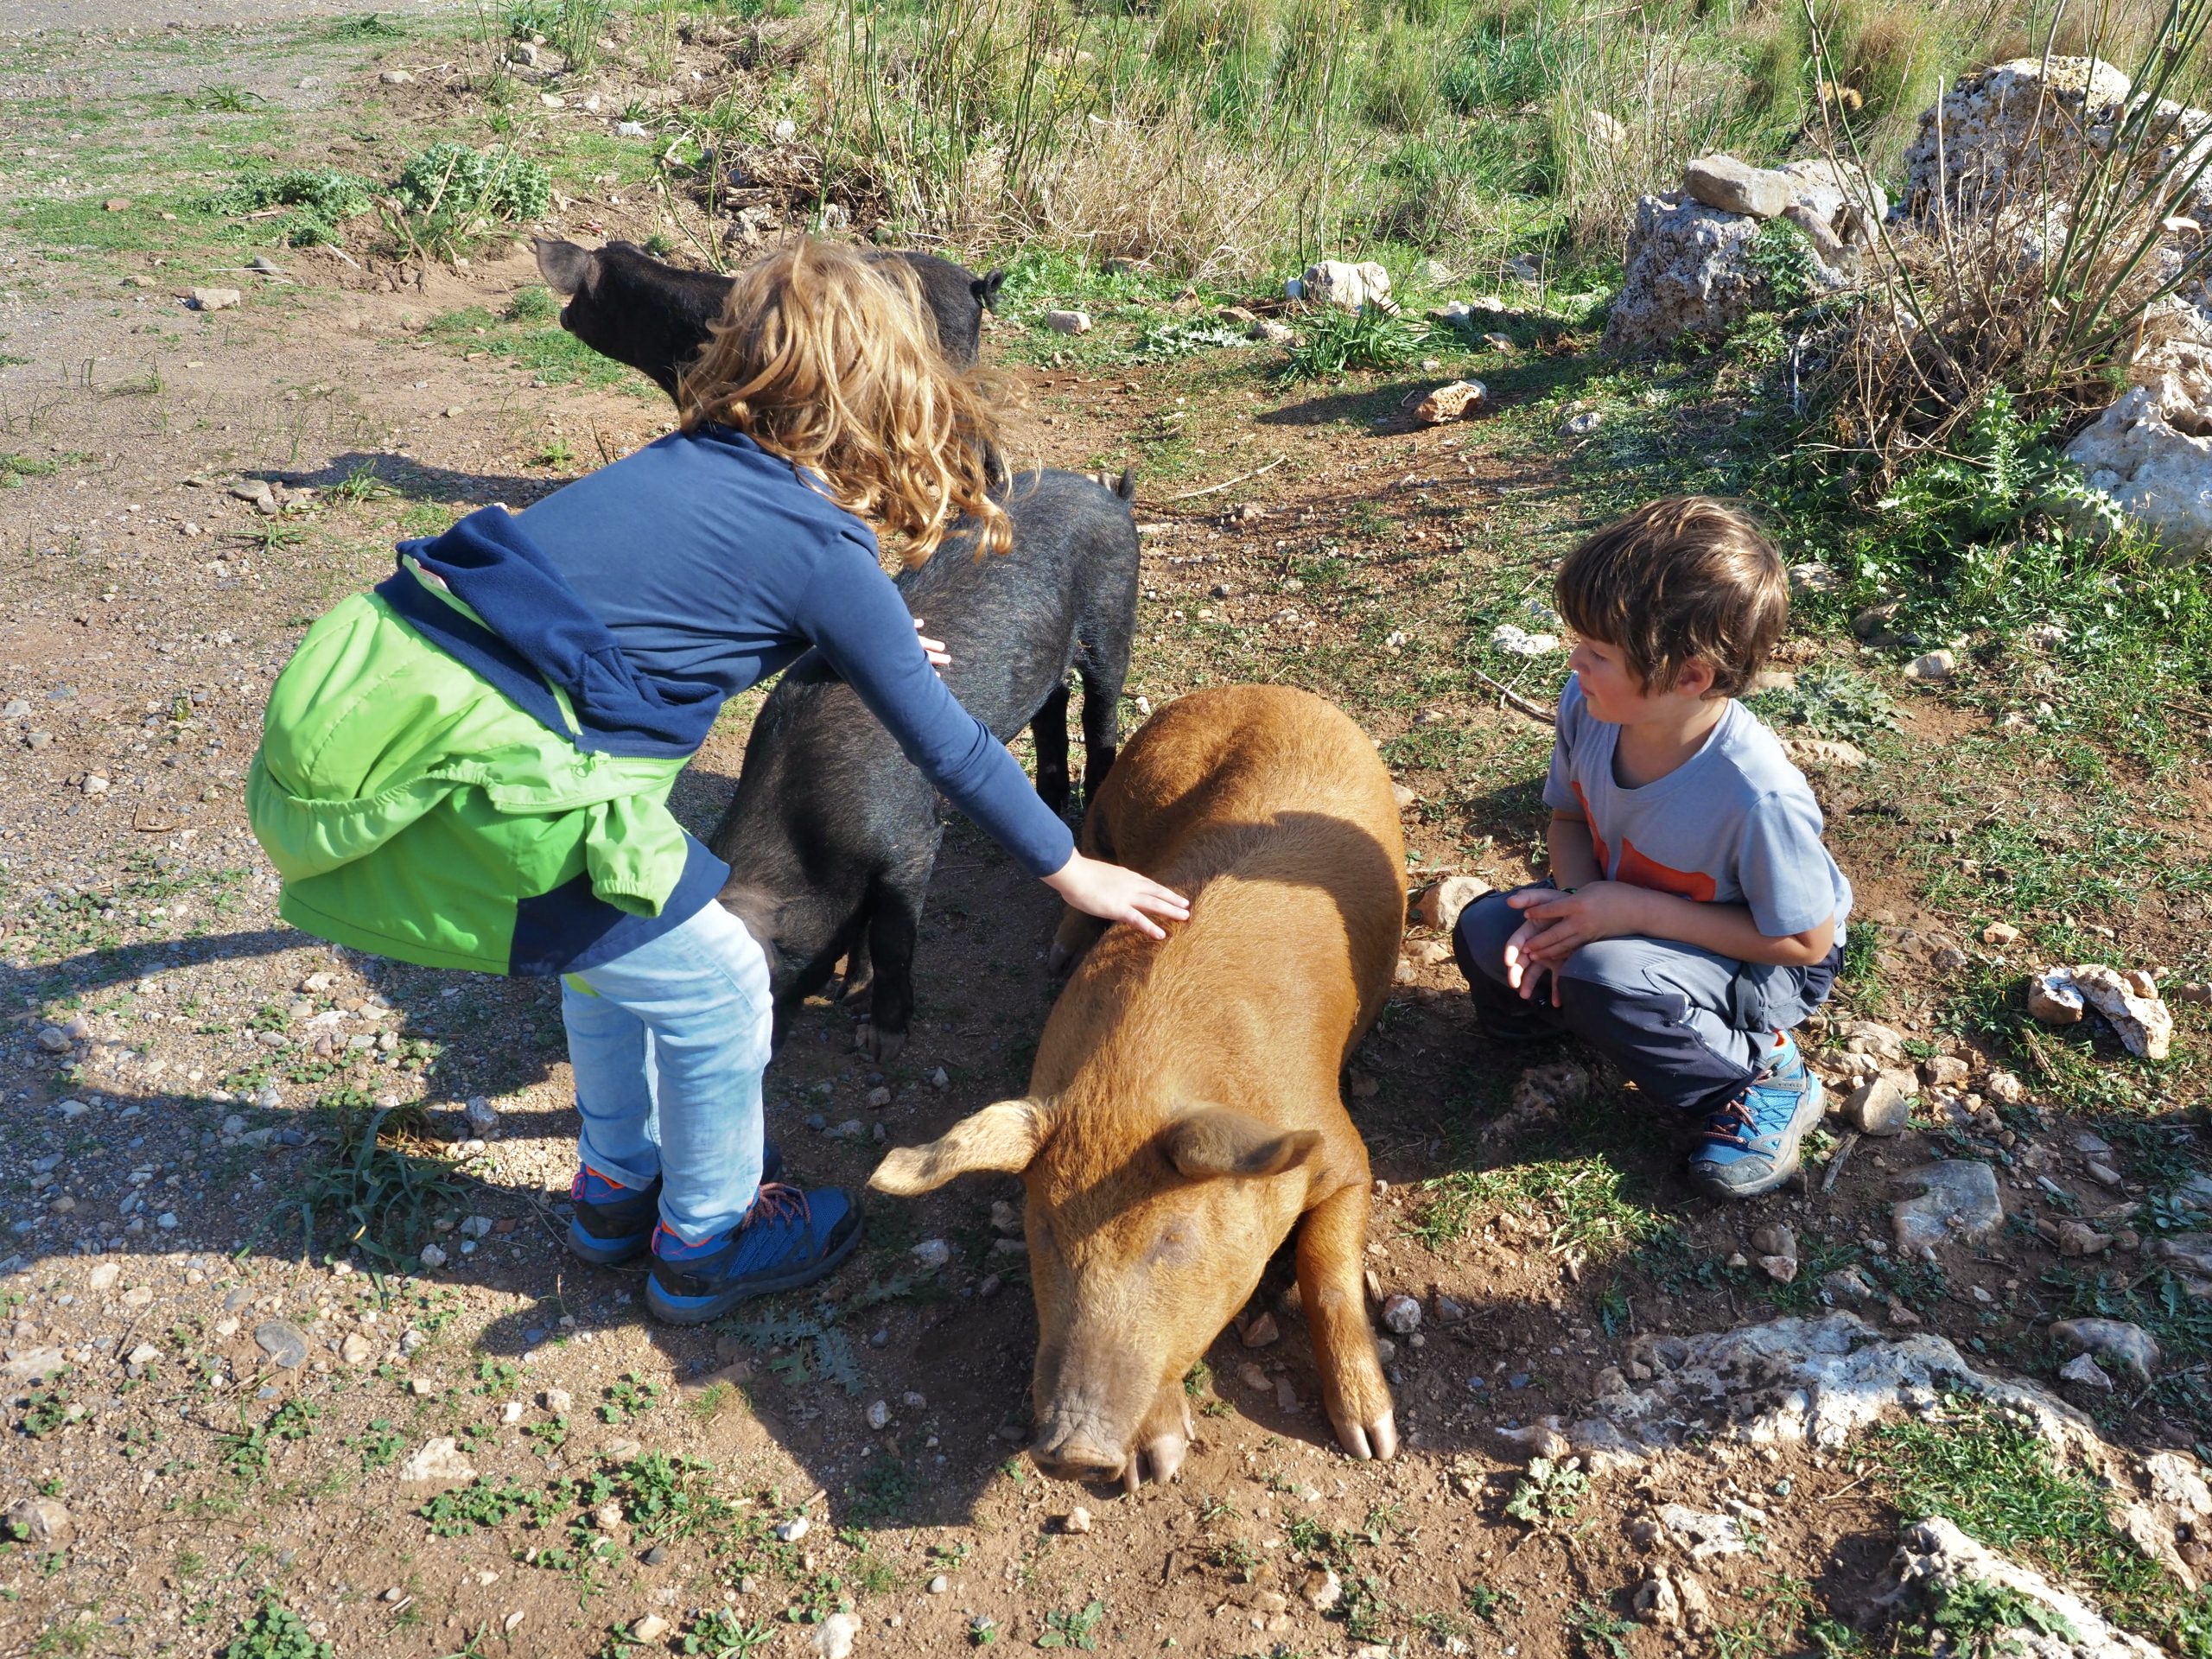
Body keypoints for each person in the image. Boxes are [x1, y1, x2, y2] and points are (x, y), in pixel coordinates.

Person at [247, 239, 1188, 1322]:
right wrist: (1071, 869)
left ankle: (615, 1191)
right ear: (897, 399)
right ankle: (706, 1241)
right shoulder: (821, 547)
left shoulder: (675, 466)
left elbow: (671, 609)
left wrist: (854, 640)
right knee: (721, 988)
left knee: (602, 951)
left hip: (369, 718)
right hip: (483, 780)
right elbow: (951, 747)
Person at [1452, 498, 1852, 1199]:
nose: (1574, 661)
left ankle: (1760, 1075)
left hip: (1760, 953)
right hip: (1626, 917)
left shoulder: (1755, 795)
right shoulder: (1590, 706)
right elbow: (1570, 822)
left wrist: (1625, 911)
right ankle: (1576, 1021)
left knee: (1606, 976)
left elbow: (1805, 943)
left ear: (1689, 677)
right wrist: (1573, 908)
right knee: (1489, 928)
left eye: (1598, 652)